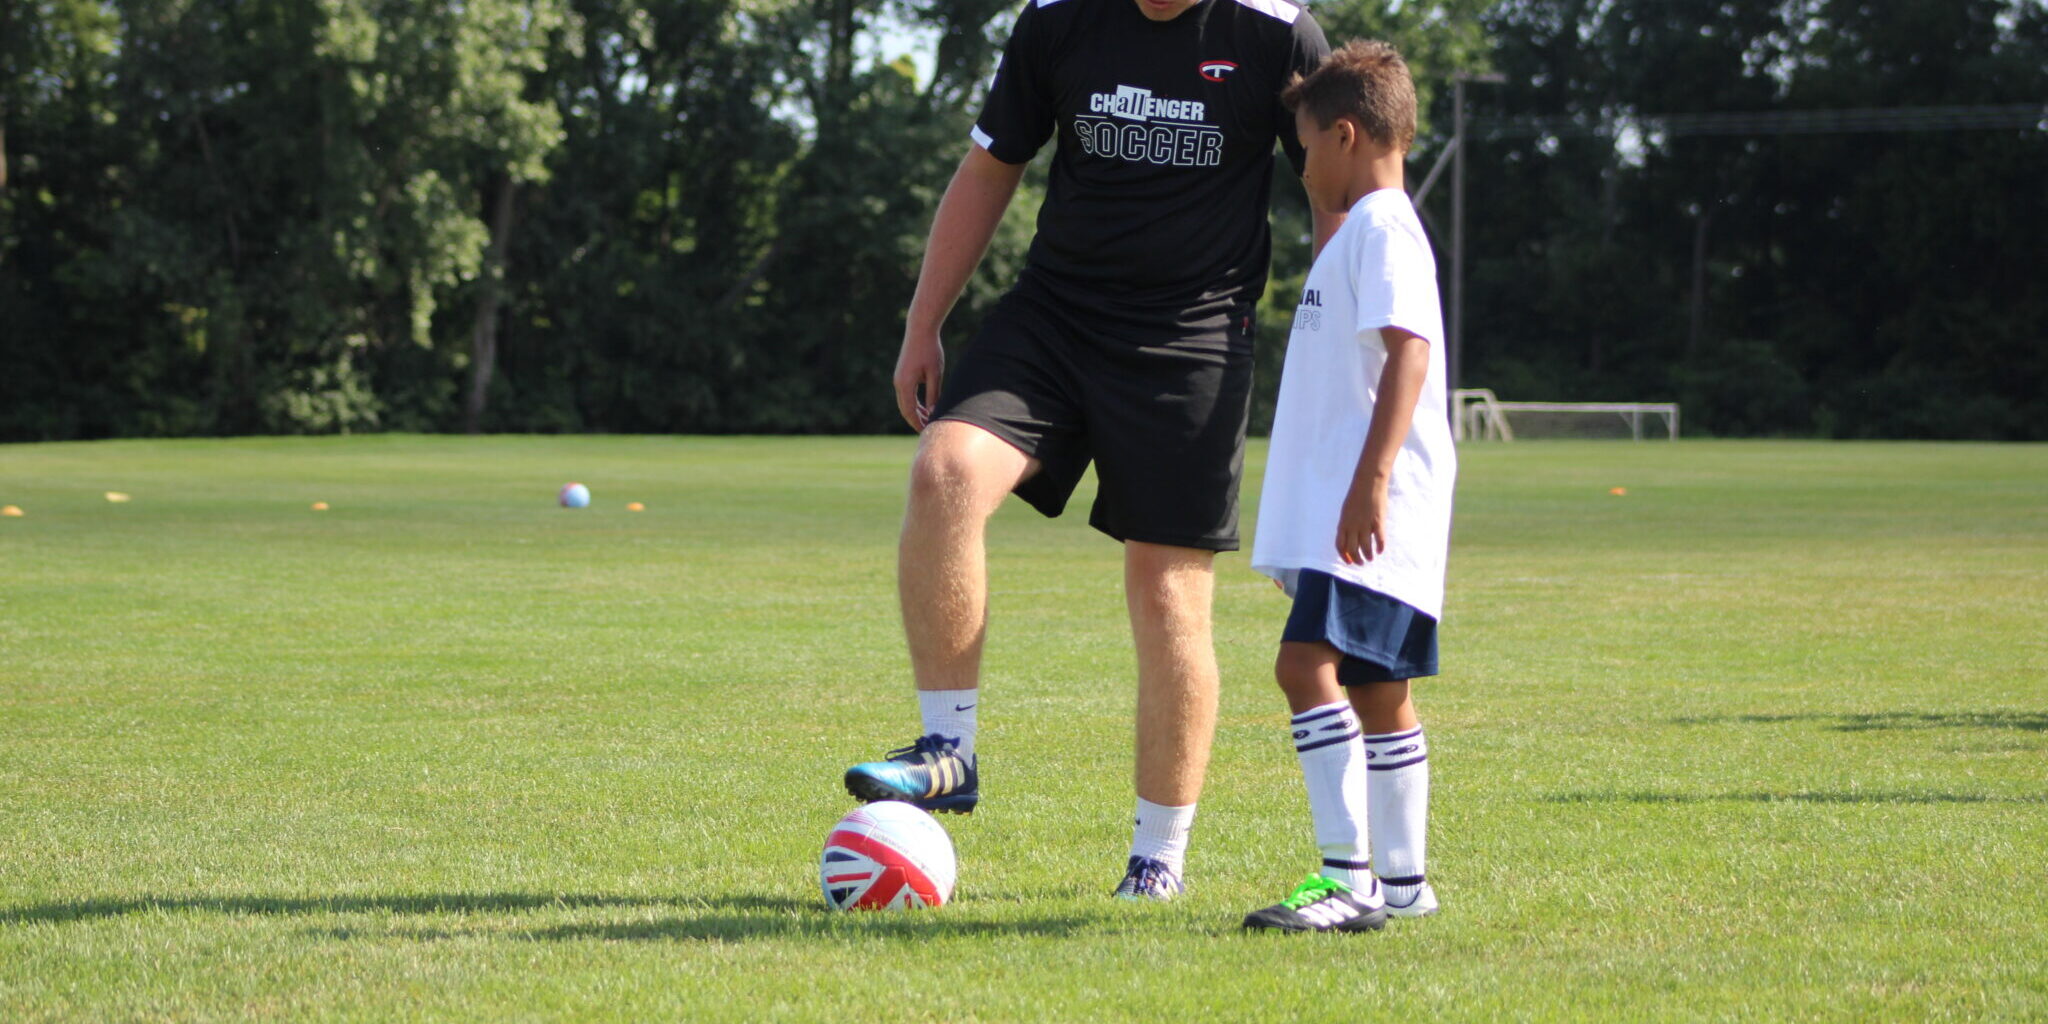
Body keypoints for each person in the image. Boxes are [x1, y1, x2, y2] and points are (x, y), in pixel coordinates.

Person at [840, 0, 1334, 900]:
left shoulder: (1276, 34)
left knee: (1168, 589)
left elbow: (1336, 192)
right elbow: (991, 167)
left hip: (1193, 338)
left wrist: (1339, 347)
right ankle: (949, 749)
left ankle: (1157, 860)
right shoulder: (1057, 20)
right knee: (945, 468)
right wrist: (924, 323)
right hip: (1055, 317)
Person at [1238, 39, 1451, 932]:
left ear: (1348, 135)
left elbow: (1410, 350)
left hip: (1370, 512)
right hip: (1362, 514)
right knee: (1377, 691)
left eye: (1306, 146)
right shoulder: (1365, 231)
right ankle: (1404, 886)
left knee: (1301, 667)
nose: (1300, 167)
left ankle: (1348, 877)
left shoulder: (1381, 227)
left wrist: (1367, 484)